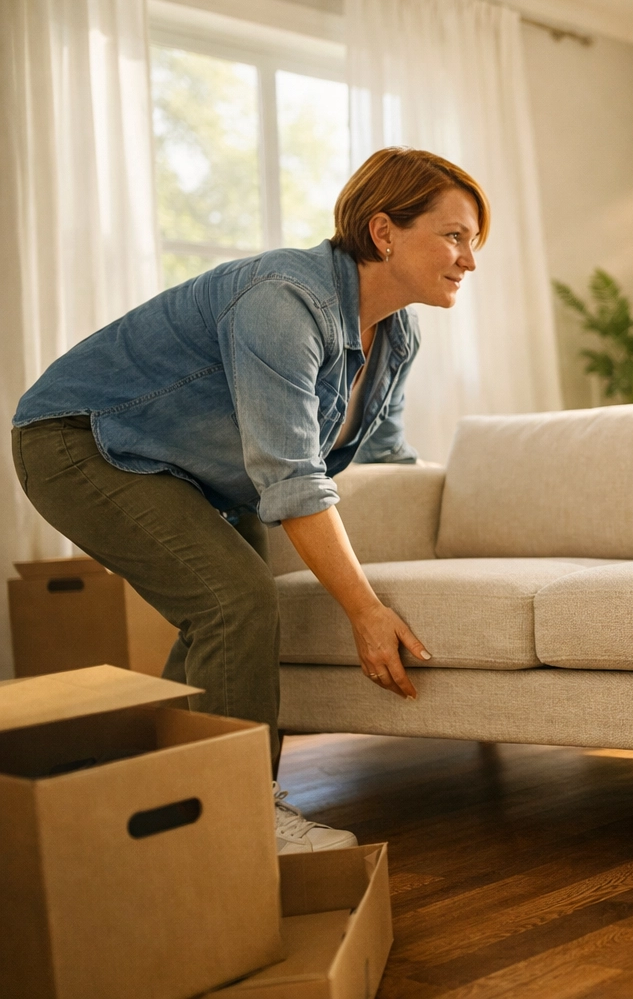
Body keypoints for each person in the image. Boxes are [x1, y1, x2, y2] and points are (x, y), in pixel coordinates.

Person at [11, 147, 487, 853]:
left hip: (196, 472)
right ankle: (240, 821)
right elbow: (292, 473)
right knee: (233, 601)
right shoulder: (283, 299)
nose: (469, 261)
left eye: (474, 242)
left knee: (226, 617)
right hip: (81, 440)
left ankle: (144, 800)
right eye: (454, 236)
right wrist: (364, 609)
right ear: (384, 232)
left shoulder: (397, 334)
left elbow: (385, 450)